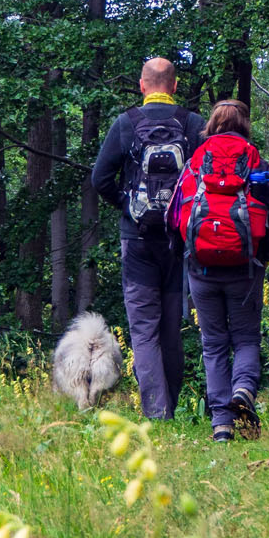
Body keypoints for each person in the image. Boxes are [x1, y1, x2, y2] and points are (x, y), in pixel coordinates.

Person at [89, 57, 206, 420]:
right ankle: (168, 404)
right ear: (174, 85)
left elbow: (100, 179)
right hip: (179, 240)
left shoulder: (126, 123)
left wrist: (127, 205)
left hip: (137, 240)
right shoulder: (193, 124)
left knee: (143, 329)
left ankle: (158, 414)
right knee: (171, 327)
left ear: (142, 86)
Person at [172, 99, 269, 442]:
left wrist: (189, 252)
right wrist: (266, 254)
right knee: (247, 338)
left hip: (202, 267)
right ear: (244, 125)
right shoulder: (254, 160)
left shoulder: (197, 160)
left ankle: (221, 425)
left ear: (213, 124)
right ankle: (243, 390)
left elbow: (179, 212)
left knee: (214, 344)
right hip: (245, 267)